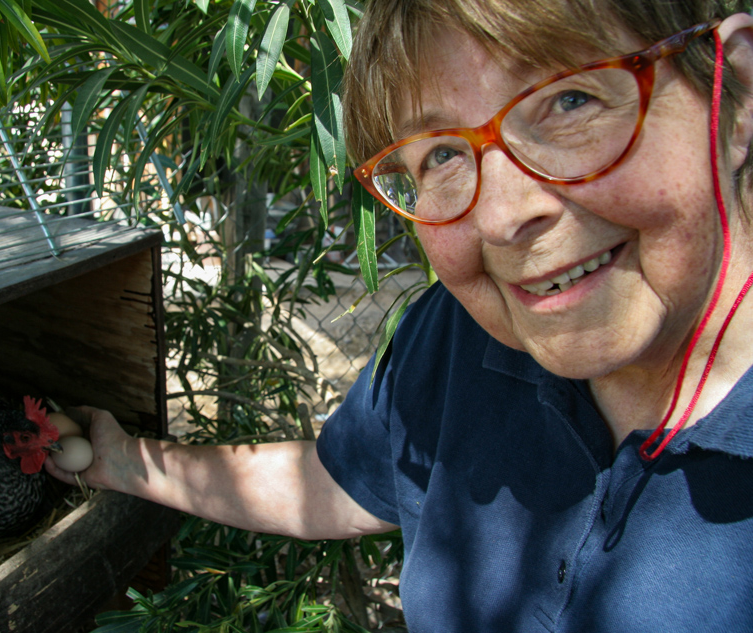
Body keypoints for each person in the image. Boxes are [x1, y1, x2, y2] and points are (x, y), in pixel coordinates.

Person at [46, 1, 753, 629]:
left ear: (736, 92)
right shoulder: (455, 335)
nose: (504, 217)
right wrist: (125, 461)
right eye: (442, 152)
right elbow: (339, 483)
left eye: (570, 102)